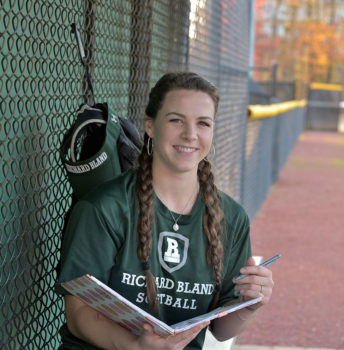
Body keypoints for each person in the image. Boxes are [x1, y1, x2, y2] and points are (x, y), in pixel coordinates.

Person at [56, 72, 274, 350]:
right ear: (150, 125)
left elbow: (221, 331)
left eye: (203, 123)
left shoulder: (231, 217)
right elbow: (79, 316)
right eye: (176, 120)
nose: (190, 134)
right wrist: (136, 346)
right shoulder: (105, 207)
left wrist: (248, 304)